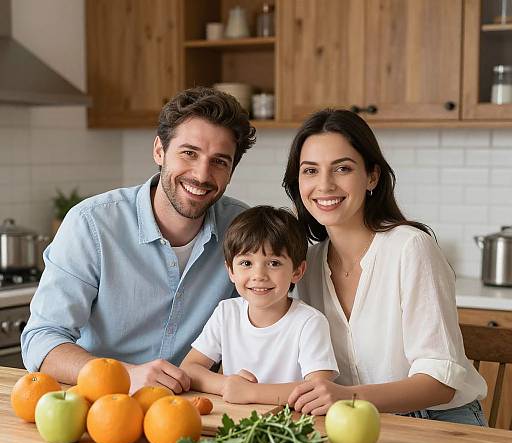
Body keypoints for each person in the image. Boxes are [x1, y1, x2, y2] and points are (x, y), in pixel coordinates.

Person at [21, 86, 256, 394]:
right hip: (101, 409)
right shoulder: (92, 224)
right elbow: (42, 338)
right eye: (189, 153)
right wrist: (123, 375)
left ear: (231, 170)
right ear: (159, 150)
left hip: (194, 412)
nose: (201, 174)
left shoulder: (242, 230)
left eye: (219, 161)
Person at [282, 109, 487, 425]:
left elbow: (441, 383)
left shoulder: (411, 248)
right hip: (356, 422)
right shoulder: (304, 268)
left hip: (437, 422)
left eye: (342, 168)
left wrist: (346, 397)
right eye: (310, 170)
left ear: (372, 177)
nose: (324, 185)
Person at [180, 206, 339, 405]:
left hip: (291, 426)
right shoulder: (226, 313)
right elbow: (189, 368)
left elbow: (318, 390)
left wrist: (252, 393)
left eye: (274, 263)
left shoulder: (309, 322)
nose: (259, 276)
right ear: (230, 271)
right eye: (246, 263)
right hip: (236, 420)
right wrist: (226, 385)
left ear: (297, 271)